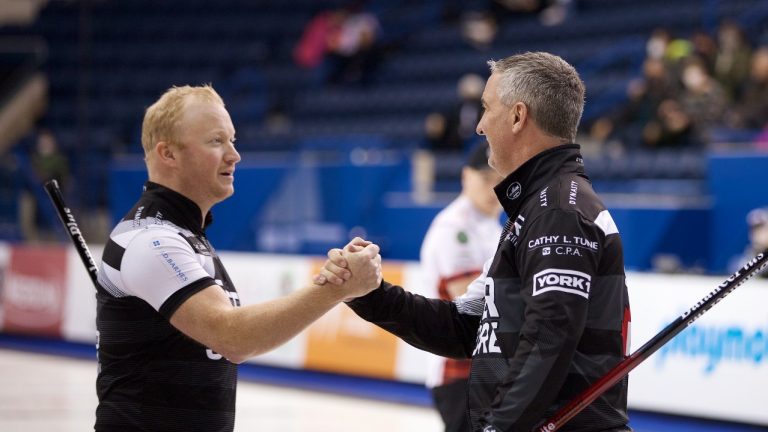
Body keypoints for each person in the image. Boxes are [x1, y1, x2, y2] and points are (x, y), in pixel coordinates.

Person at [317, 52, 632, 431]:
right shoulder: (534, 211)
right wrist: (370, 294)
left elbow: (549, 338)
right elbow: (464, 326)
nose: (480, 126)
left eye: (486, 108)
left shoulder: (557, 211)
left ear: (518, 116)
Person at [94, 85, 382, 432]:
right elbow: (232, 337)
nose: (234, 155)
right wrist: (335, 288)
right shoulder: (150, 240)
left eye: (232, 140)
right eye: (216, 141)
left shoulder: (184, 236)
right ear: (168, 153)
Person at [421, 140, 502, 432]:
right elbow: (473, 304)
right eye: (485, 179)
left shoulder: (491, 226)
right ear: (466, 176)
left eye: (499, 180)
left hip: (485, 370)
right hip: (461, 374)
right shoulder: (455, 228)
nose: (493, 189)